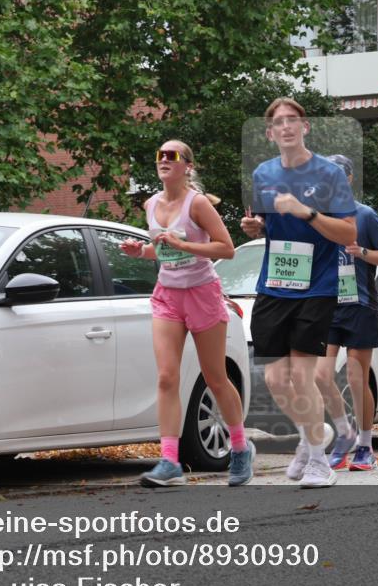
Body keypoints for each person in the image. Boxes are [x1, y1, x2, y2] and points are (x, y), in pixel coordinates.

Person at [120, 140, 254, 487]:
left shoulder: (197, 204)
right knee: (167, 377)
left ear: (187, 166)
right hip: (167, 296)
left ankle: (240, 448)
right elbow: (162, 250)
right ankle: (169, 461)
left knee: (215, 377)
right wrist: (141, 252)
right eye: (160, 155)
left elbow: (226, 249)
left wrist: (184, 245)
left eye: (172, 155)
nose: (164, 160)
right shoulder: (151, 204)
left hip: (202, 294)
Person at [240, 98, 357, 488]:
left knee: (303, 375)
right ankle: (312, 435)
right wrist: (256, 227)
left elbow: (348, 233)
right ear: (270, 133)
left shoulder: (329, 174)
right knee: (276, 381)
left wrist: (306, 211)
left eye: (293, 120)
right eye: (279, 122)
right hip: (275, 284)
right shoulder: (263, 173)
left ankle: (319, 462)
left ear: (305, 127)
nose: (286, 127)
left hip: (317, 287)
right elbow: (266, 223)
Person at [312, 154, 378, 471]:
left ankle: (365, 445)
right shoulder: (318, 217)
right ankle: (344, 433)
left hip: (359, 303)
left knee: (355, 376)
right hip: (326, 304)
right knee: (321, 376)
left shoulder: (364, 215)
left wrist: (362, 252)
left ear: (348, 179)